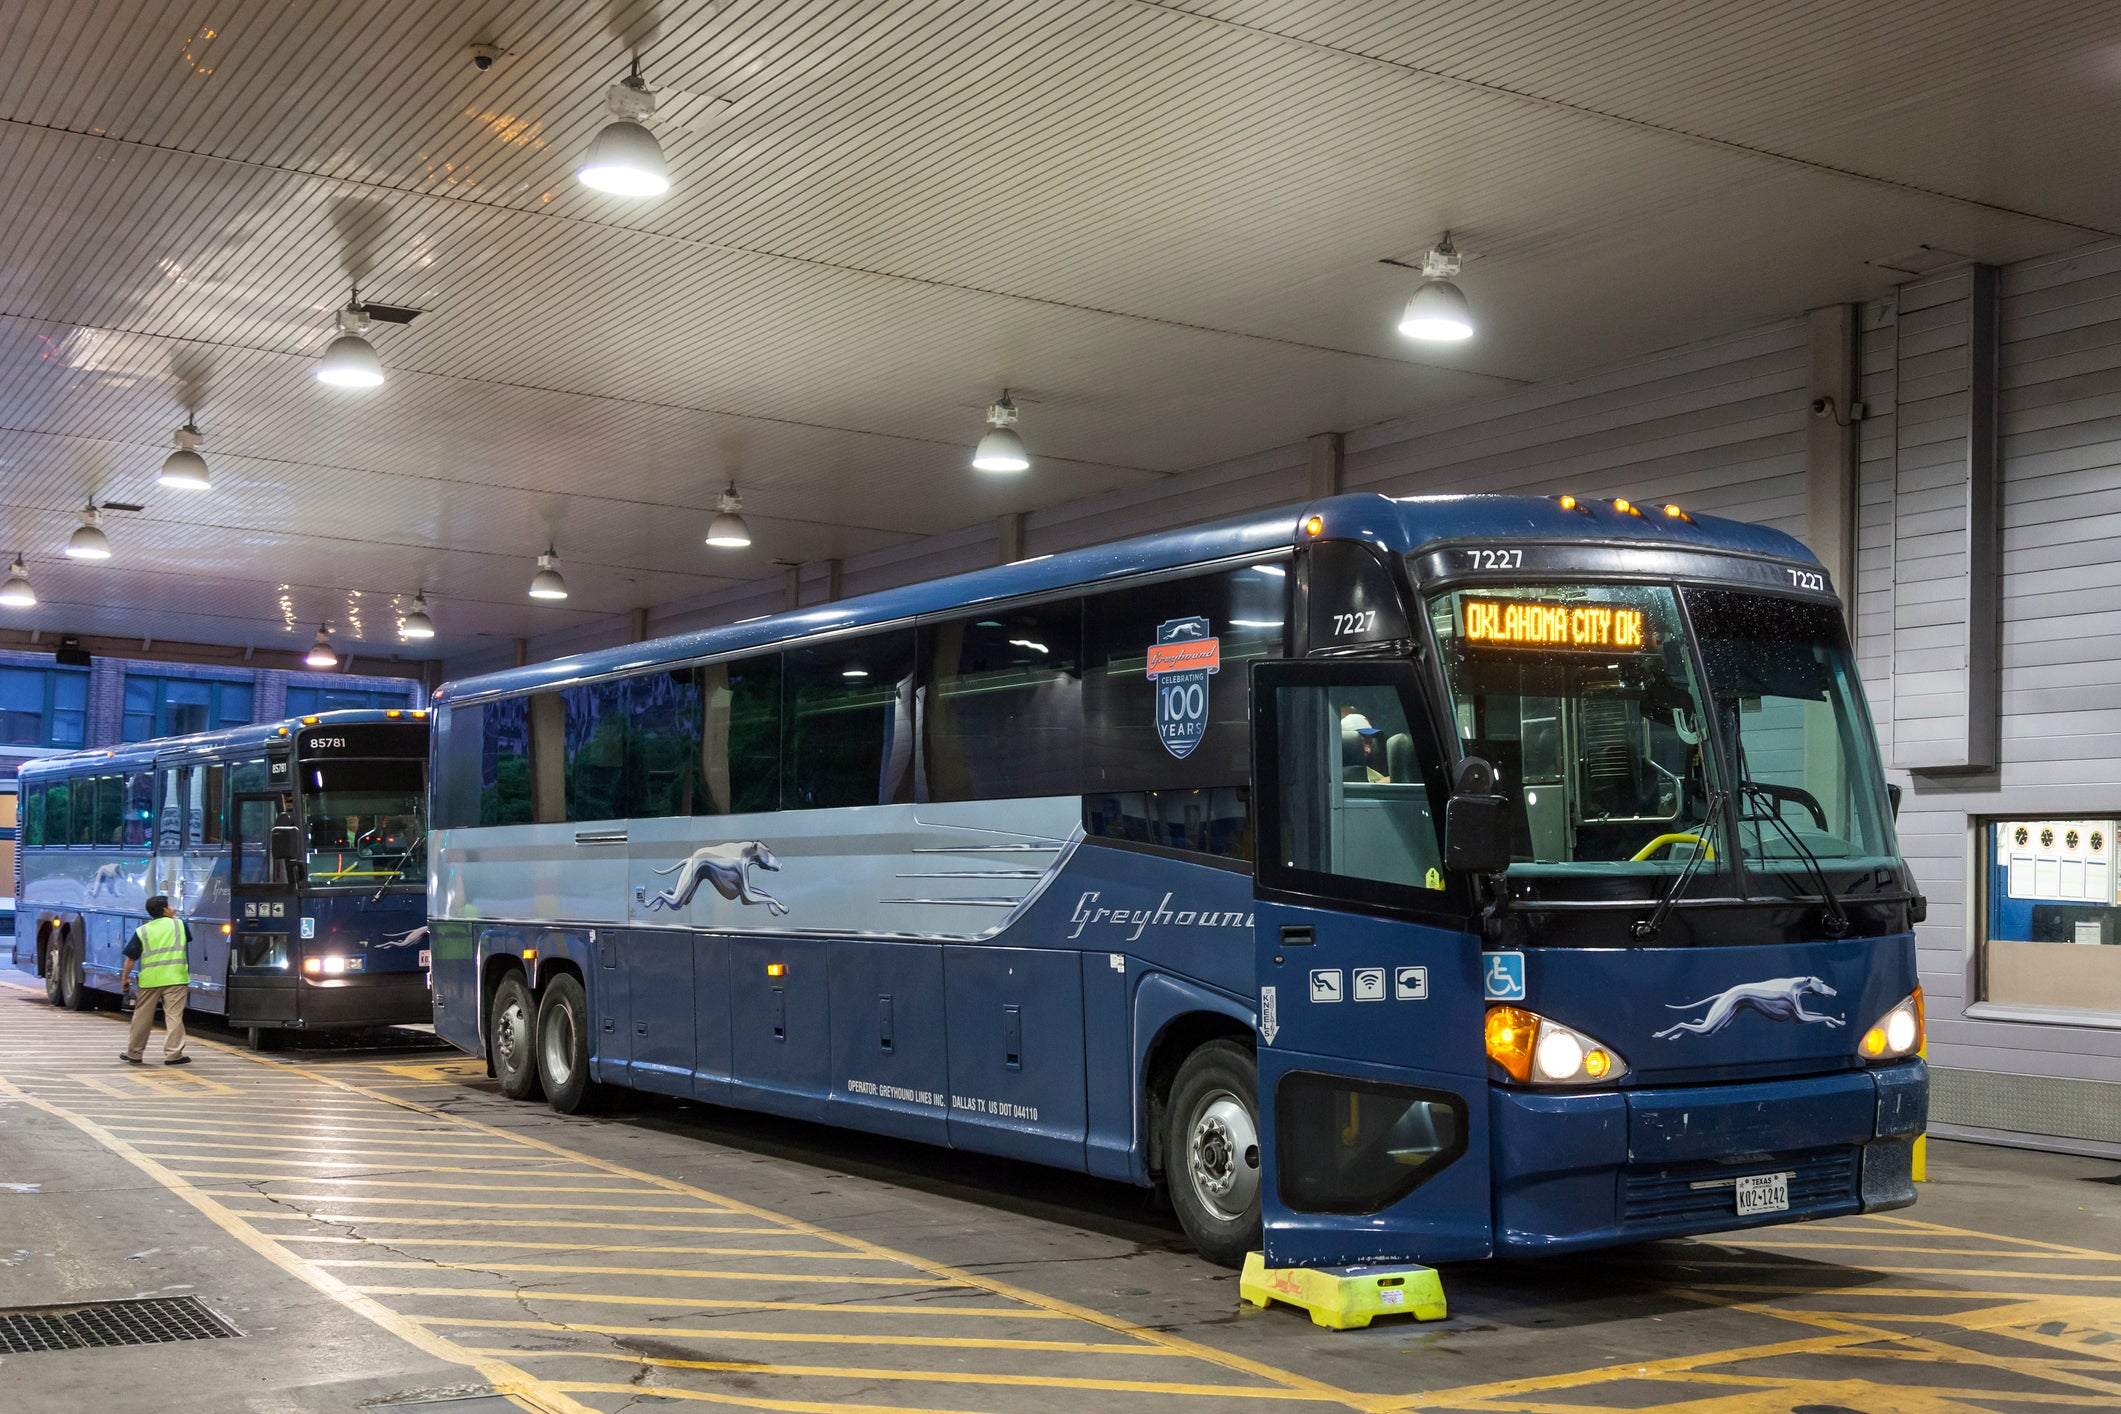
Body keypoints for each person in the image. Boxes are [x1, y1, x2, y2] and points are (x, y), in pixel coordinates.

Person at [118, 895, 193, 1066]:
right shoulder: (179, 925)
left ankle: (134, 1053)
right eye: (170, 905)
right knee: (174, 1016)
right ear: (165, 909)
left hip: (150, 981)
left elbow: (131, 958)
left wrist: (124, 979)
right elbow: (188, 938)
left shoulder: (143, 930)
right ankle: (173, 1054)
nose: (173, 908)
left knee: (141, 1018)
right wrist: (173, 918)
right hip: (175, 978)